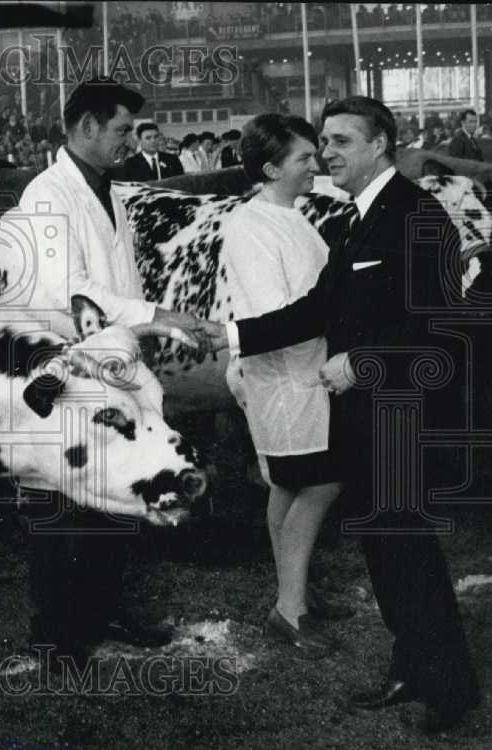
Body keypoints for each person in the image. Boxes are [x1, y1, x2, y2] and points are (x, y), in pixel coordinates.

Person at [203, 96, 481, 734]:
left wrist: (364, 363)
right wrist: (233, 336)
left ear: (380, 144)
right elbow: (315, 310)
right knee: (384, 551)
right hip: (365, 417)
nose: (326, 153)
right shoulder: (358, 220)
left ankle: (450, 689)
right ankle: (410, 663)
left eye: (340, 142)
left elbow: (437, 320)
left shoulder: (416, 215)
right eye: (322, 142)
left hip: (401, 411)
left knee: (408, 551)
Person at [0, 78, 210, 667]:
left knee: (114, 500)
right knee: (58, 507)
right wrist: (156, 316)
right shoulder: (47, 195)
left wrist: (141, 336)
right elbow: (69, 293)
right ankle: (55, 636)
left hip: (109, 365)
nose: (128, 141)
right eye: (119, 130)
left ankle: (101, 612)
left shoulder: (106, 191)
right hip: (59, 374)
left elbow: (120, 284)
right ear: (85, 127)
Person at [224, 114, 349, 660]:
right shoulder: (250, 225)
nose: (314, 164)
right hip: (283, 374)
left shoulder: (291, 215)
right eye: (303, 158)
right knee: (321, 483)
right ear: (271, 168)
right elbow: (275, 313)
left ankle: (295, 592)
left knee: (289, 486)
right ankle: (289, 609)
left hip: (306, 369)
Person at [117, 122, 182, 181]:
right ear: (139, 140)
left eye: (156, 137)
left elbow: (182, 183)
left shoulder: (173, 160)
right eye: (148, 138)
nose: (153, 141)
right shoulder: (130, 164)